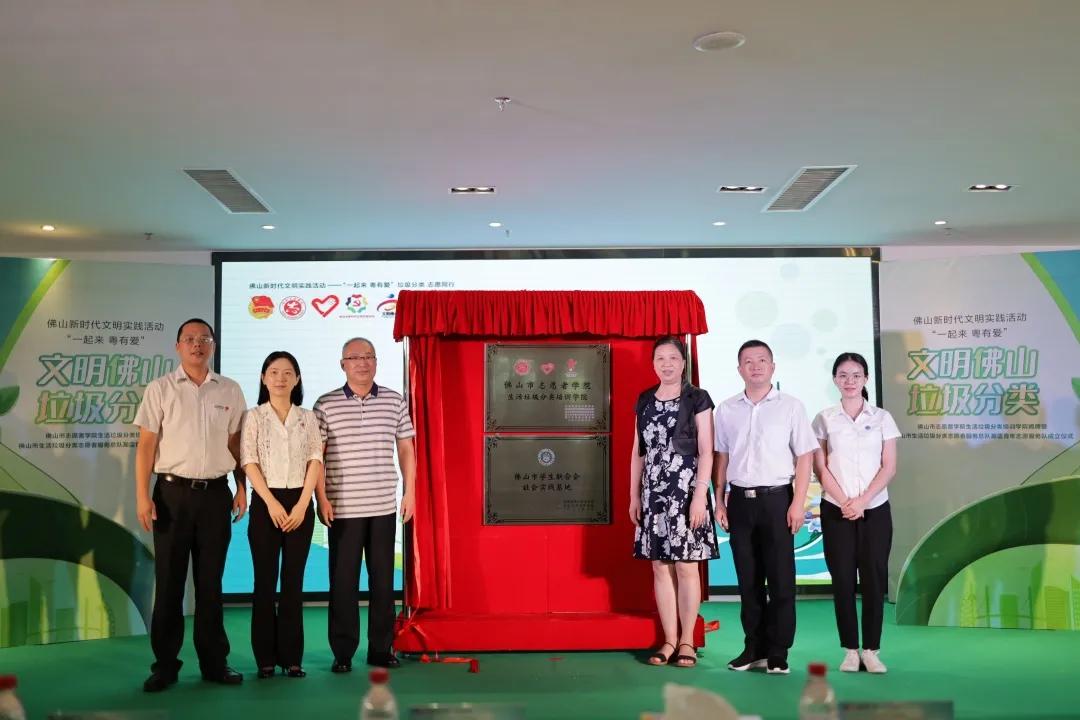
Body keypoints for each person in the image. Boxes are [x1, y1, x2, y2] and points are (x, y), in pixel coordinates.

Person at [134, 318, 247, 692]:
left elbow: (236, 445)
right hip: (171, 496)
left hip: (216, 495)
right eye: (189, 339)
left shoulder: (229, 389)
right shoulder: (161, 388)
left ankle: (215, 663)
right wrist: (142, 495)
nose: (197, 344)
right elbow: (146, 446)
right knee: (169, 583)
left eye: (204, 339)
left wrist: (241, 486)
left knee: (211, 584)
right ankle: (165, 666)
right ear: (178, 346)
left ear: (213, 345)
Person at [713, 339, 817, 675]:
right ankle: (753, 648)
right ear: (739, 369)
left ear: (773, 366)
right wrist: (719, 500)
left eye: (762, 360)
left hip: (778, 500)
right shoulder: (726, 409)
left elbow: (805, 457)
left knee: (782, 580)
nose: (755, 366)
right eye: (748, 361)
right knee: (748, 581)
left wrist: (798, 503)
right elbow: (722, 457)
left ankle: (778, 651)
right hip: (740, 502)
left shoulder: (791, 406)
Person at [313, 337, 416, 672]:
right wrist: (320, 497)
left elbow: (406, 448)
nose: (362, 363)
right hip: (342, 508)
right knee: (343, 582)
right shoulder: (325, 404)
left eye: (368, 356)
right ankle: (343, 652)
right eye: (354, 357)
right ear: (342, 364)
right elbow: (316, 457)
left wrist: (410, 491)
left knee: (383, 582)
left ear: (376, 362)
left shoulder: (394, 400)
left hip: (383, 506)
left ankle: (381, 649)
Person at [631, 336, 718, 668]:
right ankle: (668, 640)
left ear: (683, 363)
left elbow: (707, 451)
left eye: (673, 358)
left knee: (686, 565)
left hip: (686, 492)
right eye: (660, 358)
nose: (666, 364)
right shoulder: (644, 400)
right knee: (660, 566)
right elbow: (637, 453)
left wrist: (700, 497)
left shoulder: (697, 398)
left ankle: (686, 642)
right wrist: (633, 496)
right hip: (653, 492)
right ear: (653, 363)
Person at [811, 352, 899, 674]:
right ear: (835, 379)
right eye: (843, 375)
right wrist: (845, 501)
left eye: (856, 375)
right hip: (836, 511)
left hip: (875, 510)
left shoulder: (882, 418)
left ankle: (872, 650)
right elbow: (820, 467)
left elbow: (889, 466)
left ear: (865, 379)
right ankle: (850, 650)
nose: (850, 381)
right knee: (843, 580)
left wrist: (862, 501)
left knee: (874, 581)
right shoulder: (824, 419)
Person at [241, 351, 323, 679]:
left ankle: (292, 658)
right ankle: (264, 659)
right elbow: (248, 461)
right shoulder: (254, 417)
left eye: (288, 373)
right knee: (264, 582)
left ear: (297, 379)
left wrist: (303, 505)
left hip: (300, 502)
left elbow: (315, 459)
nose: (280, 378)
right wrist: (271, 503)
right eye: (273, 372)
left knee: (293, 583)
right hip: (266, 503)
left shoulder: (308, 417)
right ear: (263, 378)